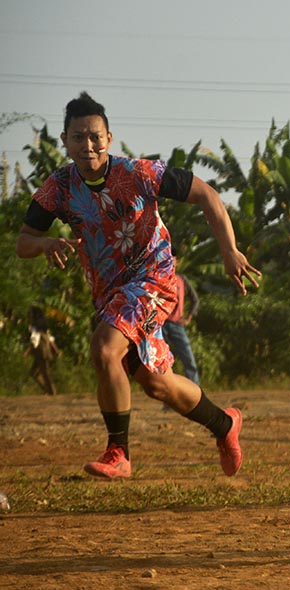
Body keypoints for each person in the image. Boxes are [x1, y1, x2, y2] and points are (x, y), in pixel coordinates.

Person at [15, 92, 261, 480]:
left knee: (104, 347)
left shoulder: (140, 172)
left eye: (95, 136)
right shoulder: (58, 188)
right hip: (109, 292)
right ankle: (225, 425)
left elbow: (208, 195)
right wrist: (45, 243)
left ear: (109, 139)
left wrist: (229, 250)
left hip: (154, 280)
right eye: (78, 137)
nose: (88, 145)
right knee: (155, 383)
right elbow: (23, 242)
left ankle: (119, 453)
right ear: (64, 141)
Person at [162, 258, 201, 386]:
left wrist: (189, 317)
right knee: (163, 363)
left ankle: (196, 396)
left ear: (177, 262)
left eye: (173, 258)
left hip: (177, 325)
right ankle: (168, 399)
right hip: (160, 325)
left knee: (189, 360)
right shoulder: (158, 277)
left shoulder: (182, 280)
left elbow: (195, 299)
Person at [26, 306, 60, 396]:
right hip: (45, 352)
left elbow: (34, 341)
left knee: (43, 372)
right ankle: (48, 390)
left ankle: (51, 391)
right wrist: (56, 350)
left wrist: (27, 351)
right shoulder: (43, 328)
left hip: (39, 352)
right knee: (36, 372)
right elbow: (50, 339)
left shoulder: (34, 327)